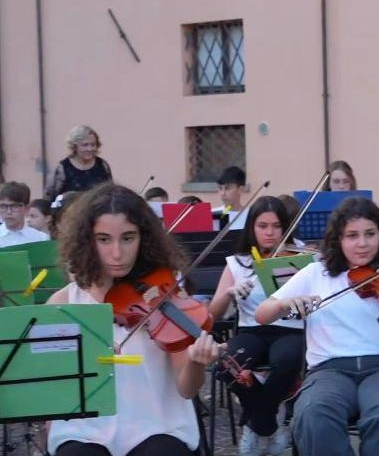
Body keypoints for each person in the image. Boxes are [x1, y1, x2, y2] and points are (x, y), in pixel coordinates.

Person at [46, 183, 220, 456]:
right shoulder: (64, 304)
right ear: (87, 241)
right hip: (86, 429)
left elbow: (187, 389)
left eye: (128, 238)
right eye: (103, 239)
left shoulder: (166, 296)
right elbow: (51, 391)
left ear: (144, 238)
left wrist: (196, 363)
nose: (117, 253)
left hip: (157, 424)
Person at [255, 197, 379, 456]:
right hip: (328, 371)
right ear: (339, 239)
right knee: (314, 414)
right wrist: (285, 304)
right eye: (352, 235)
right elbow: (262, 315)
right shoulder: (316, 273)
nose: (362, 243)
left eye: (370, 234)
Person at [208, 196, 305, 456]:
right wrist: (229, 293)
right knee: (228, 362)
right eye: (263, 226)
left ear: (285, 228)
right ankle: (268, 421)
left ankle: (256, 422)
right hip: (252, 330)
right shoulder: (238, 262)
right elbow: (212, 315)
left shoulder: (301, 255)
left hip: (292, 329)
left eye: (276, 226)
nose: (270, 233)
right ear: (252, 228)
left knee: (286, 360)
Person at [45, 125, 113, 201]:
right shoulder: (63, 168)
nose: (90, 149)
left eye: (93, 145)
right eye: (85, 145)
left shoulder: (102, 165)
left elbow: (111, 193)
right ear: (74, 146)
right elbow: (50, 198)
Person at [0, 182, 50, 247]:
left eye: (15, 206)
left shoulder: (41, 239)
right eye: (3, 206)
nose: (9, 212)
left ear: (27, 208)